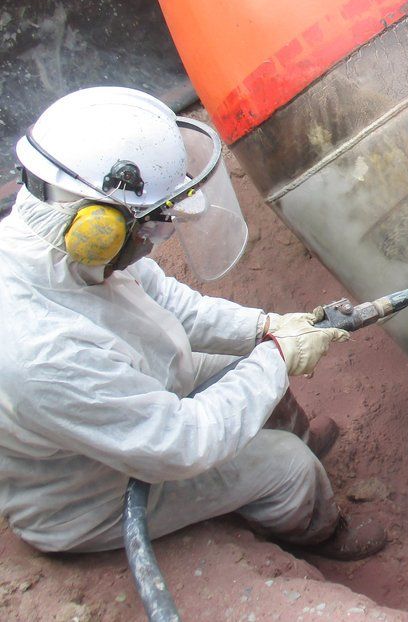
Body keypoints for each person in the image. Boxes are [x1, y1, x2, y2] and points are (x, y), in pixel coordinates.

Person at [0, 86, 386, 559]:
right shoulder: (40, 352)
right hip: (88, 492)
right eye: (155, 224)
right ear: (98, 229)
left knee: (252, 365)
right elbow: (183, 442)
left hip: (124, 400)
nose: (159, 237)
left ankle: (300, 443)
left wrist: (267, 328)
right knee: (286, 466)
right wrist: (278, 357)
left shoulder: (72, 244)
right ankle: (318, 531)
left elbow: (174, 305)